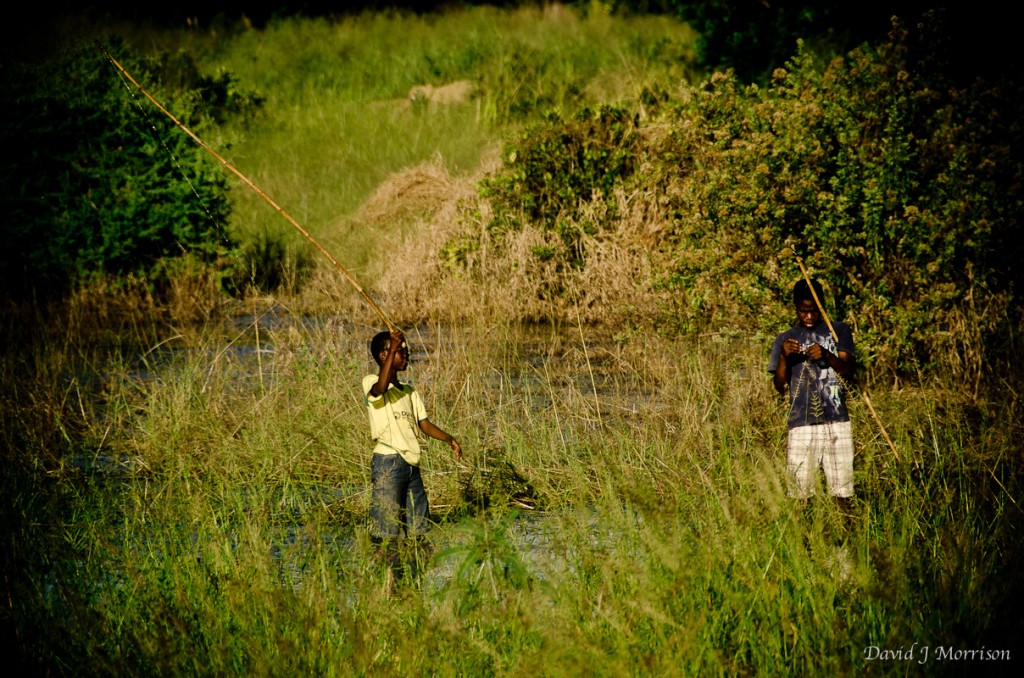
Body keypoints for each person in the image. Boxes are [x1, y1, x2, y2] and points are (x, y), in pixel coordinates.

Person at [363, 328, 461, 551]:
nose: (406, 355)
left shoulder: (409, 392)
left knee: (420, 531)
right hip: (388, 463)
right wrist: (395, 345)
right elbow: (379, 389)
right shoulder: (372, 382)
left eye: (405, 350)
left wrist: (449, 439)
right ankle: (385, 581)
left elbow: (424, 424)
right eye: (400, 351)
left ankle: (414, 581)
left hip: (411, 466)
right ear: (384, 356)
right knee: (385, 533)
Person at [768, 279, 856, 504]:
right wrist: (783, 358)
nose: (808, 317)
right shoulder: (784, 339)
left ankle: (842, 535)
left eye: (813, 311)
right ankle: (804, 538)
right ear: (795, 307)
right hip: (801, 423)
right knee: (799, 495)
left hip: (837, 422)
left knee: (842, 493)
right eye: (803, 311)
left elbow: (848, 371)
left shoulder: (839, 331)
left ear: (821, 306)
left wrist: (827, 355)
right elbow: (779, 386)